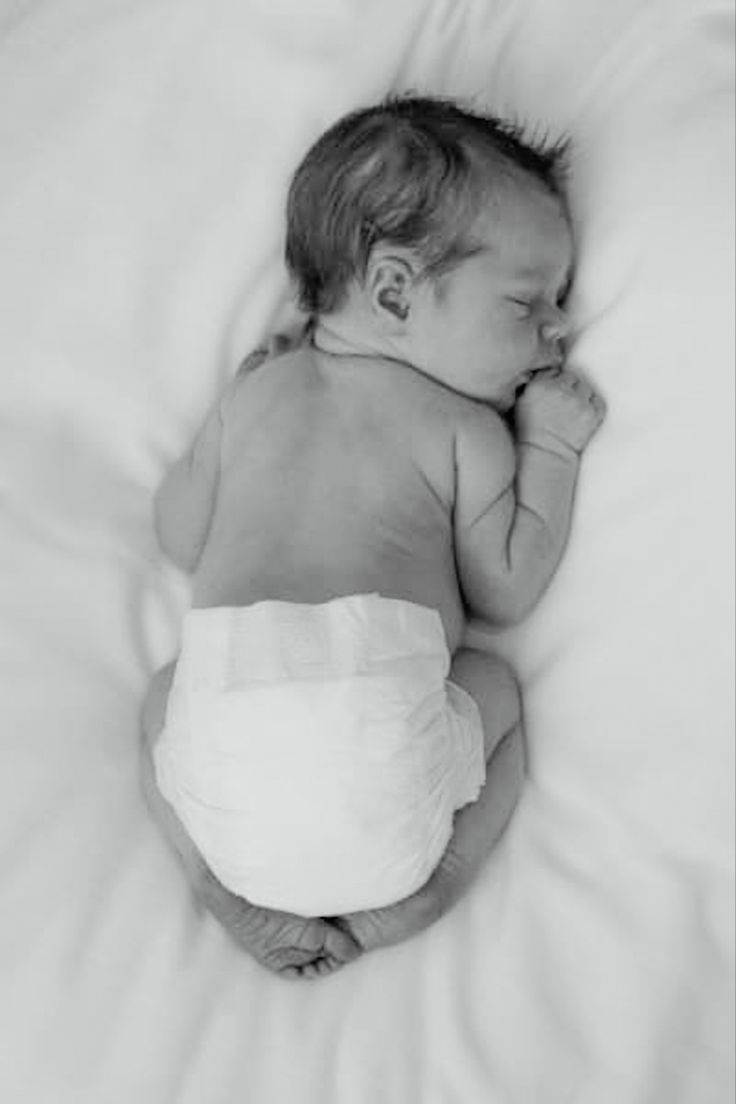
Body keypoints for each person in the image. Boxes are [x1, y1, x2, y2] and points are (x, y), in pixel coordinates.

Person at [140, 96, 606, 981]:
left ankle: (213, 884)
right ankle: (436, 886)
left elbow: (177, 534)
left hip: (227, 760)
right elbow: (503, 591)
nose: (559, 328)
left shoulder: (255, 397)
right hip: (386, 761)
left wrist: (226, 417)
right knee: (495, 688)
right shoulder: (460, 429)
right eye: (529, 300)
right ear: (394, 290)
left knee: (163, 701)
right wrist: (549, 448)